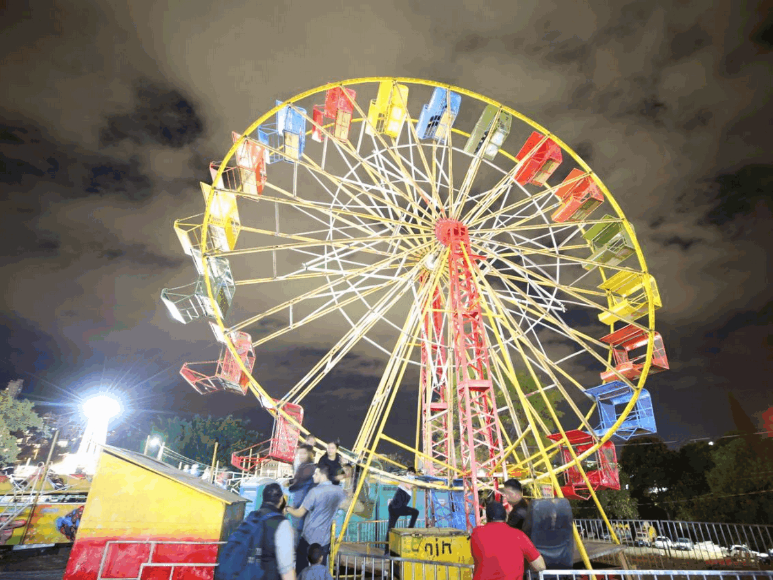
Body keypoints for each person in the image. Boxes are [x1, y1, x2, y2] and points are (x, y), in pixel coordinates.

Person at [217, 482, 295, 580]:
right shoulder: (281, 523)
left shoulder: (252, 516)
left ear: (263, 498)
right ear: (281, 500)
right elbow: (287, 570)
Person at [286, 464, 350, 575]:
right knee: (321, 572)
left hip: (308, 538)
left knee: (301, 570)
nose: (313, 476)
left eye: (316, 473)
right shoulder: (339, 491)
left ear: (323, 475)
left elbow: (299, 513)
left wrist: (287, 508)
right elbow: (347, 505)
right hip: (324, 540)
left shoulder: (314, 492)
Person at [470, 502, 545, 580]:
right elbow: (540, 566)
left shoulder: (476, 534)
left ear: (487, 518)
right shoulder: (519, 535)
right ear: (506, 517)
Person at [384, 468, 419, 553]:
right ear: (407, 473)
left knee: (390, 529)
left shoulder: (410, 486)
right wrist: (416, 483)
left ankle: (386, 551)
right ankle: (410, 529)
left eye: (413, 474)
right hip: (396, 507)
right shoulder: (404, 479)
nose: (411, 475)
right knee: (416, 512)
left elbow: (411, 487)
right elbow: (408, 486)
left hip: (396, 508)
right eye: (410, 473)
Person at [289, 445, 317, 546]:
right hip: (298, 509)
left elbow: (299, 483)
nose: (301, 456)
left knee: (300, 537)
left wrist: (290, 484)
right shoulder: (303, 467)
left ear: (310, 454)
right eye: (299, 453)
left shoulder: (310, 468)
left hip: (304, 509)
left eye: (304, 453)